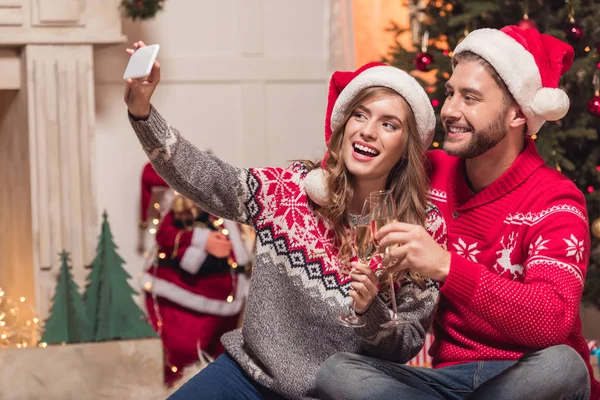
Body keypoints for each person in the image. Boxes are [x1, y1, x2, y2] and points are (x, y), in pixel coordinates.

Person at [125, 40, 442, 399]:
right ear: (343, 127)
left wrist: (371, 311)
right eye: (360, 115)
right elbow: (208, 178)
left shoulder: (421, 230)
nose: (368, 130)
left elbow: (405, 346)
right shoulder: (290, 190)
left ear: (406, 147)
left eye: (389, 124)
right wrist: (142, 111)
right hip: (247, 377)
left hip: (335, 393)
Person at [316, 25, 600, 400]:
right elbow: (355, 165)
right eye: (450, 93)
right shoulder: (428, 172)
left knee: (563, 366)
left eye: (470, 98)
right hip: (444, 382)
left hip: (523, 378)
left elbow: (552, 321)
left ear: (517, 113)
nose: (449, 110)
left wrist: (447, 266)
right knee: (338, 371)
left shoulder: (555, 200)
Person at [140, 163, 252, 385]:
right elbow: (165, 236)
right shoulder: (182, 204)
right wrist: (202, 241)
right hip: (189, 298)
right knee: (185, 361)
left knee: (219, 362)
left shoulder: (223, 202)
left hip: (227, 302)